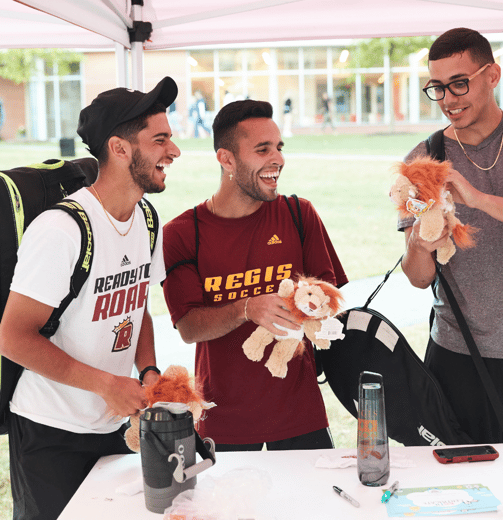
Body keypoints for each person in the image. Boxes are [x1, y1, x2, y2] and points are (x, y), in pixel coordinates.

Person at [0, 76, 180, 519]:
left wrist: (149, 371)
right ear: (119, 149)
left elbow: (137, 307)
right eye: (160, 140)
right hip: (50, 434)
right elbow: (13, 338)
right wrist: (105, 385)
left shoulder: (146, 219)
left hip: (113, 425)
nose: (173, 152)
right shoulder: (61, 230)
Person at [162, 99, 347, 452]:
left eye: (279, 147)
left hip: (300, 417)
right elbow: (188, 328)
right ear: (226, 159)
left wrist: (312, 306)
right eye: (263, 149)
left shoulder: (299, 213)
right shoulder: (184, 233)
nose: (277, 159)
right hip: (223, 420)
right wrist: (247, 308)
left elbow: (330, 299)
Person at [400, 27, 503, 443]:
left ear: (493, 75)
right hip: (459, 353)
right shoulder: (423, 159)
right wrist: (419, 241)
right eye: (438, 88)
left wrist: (479, 199)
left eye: (459, 83)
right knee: (464, 483)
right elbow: (418, 277)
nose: (449, 100)